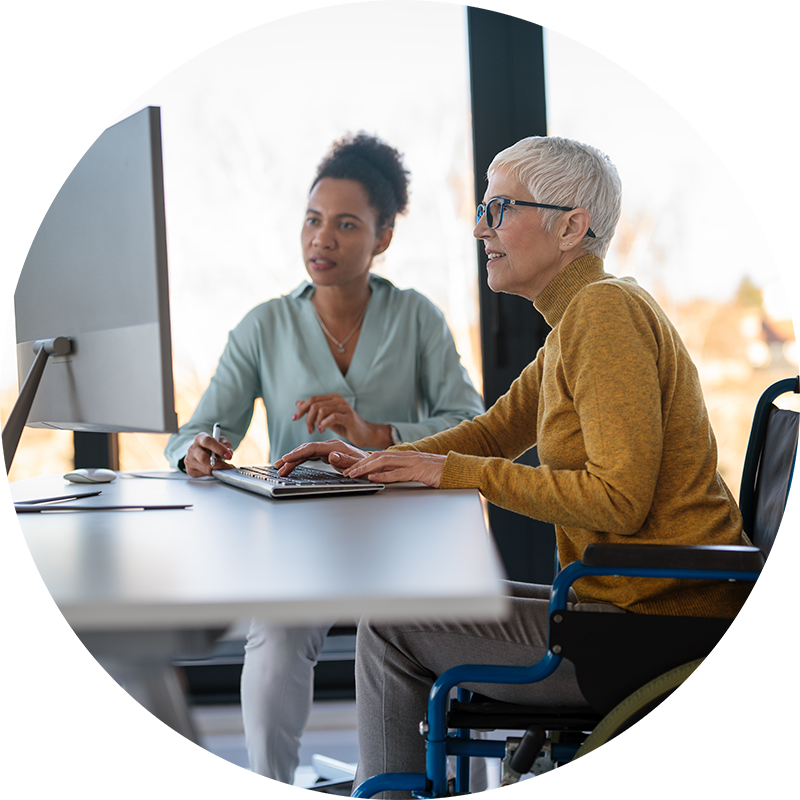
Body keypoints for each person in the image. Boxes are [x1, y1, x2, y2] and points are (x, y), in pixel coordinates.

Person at [275, 135, 751, 791]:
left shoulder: (605, 316)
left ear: (570, 227)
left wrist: (446, 474)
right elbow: (493, 433)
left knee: (388, 625)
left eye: (500, 209)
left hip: (660, 635)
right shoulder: (577, 323)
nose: (479, 227)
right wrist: (370, 462)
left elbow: (618, 499)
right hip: (639, 614)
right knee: (401, 611)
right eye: (482, 208)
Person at [163, 133, 484, 800]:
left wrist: (377, 435)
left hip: (399, 537)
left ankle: (401, 786)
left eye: (346, 224)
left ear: (384, 236)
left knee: (405, 643)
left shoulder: (416, 317)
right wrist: (194, 450)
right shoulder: (264, 326)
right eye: (313, 220)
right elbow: (199, 425)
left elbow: (470, 425)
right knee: (276, 641)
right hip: (297, 539)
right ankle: (271, 791)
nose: (323, 238)